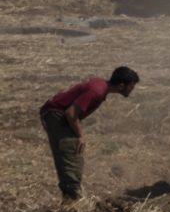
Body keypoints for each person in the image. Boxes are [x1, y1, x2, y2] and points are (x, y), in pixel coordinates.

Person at [39, 66, 140, 202]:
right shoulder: (97, 91)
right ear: (122, 85)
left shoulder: (100, 85)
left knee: (70, 155)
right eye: (131, 86)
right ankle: (72, 201)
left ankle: (71, 198)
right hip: (57, 115)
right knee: (72, 154)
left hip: (54, 114)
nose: (132, 89)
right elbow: (71, 113)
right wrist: (81, 135)